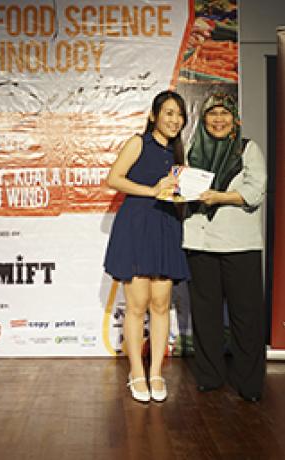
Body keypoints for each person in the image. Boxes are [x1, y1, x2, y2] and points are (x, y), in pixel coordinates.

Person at [103, 90, 190, 403]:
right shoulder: (138, 143)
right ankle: (136, 372)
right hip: (137, 225)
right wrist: (151, 190)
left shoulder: (179, 154)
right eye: (168, 113)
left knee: (161, 303)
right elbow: (114, 178)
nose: (174, 120)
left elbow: (179, 192)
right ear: (154, 115)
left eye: (179, 114)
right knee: (137, 305)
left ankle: (156, 372)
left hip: (166, 226)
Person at [183, 93, 267, 402]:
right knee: (206, 316)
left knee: (246, 317)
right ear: (203, 120)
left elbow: (256, 190)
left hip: (239, 244)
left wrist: (219, 197)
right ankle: (210, 376)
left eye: (224, 114)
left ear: (234, 118)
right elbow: (183, 190)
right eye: (212, 114)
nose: (218, 119)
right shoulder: (192, 152)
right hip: (199, 241)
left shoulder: (248, 149)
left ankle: (250, 383)